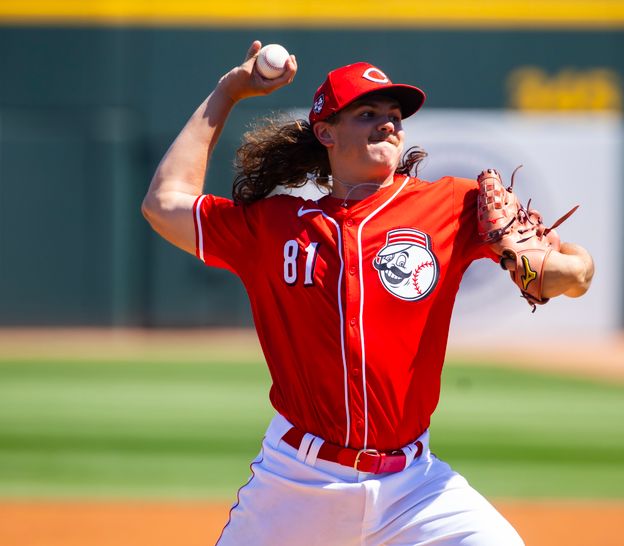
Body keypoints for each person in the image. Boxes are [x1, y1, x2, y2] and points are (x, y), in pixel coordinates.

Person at [142, 40, 594, 546]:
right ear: (325, 132)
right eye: (367, 112)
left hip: (414, 488)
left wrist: (567, 263)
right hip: (298, 484)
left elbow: (565, 275)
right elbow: (164, 203)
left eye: (395, 114)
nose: (388, 123)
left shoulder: (452, 205)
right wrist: (228, 91)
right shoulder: (273, 227)